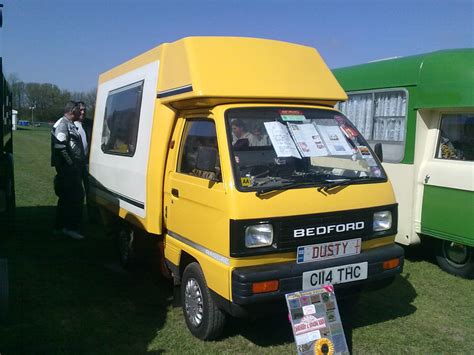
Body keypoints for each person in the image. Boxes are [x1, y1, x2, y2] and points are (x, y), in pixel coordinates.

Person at [51, 101, 86, 239]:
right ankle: (70, 228)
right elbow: (60, 147)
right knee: (75, 197)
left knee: (66, 198)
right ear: (72, 110)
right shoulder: (63, 124)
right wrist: (71, 164)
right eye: (78, 110)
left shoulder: (70, 124)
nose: (81, 113)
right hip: (67, 170)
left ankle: (60, 227)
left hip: (71, 169)